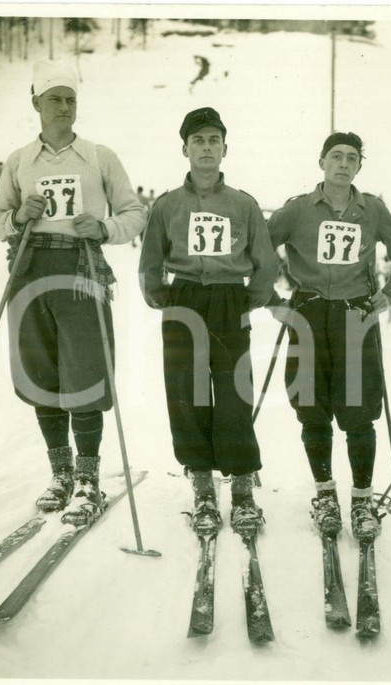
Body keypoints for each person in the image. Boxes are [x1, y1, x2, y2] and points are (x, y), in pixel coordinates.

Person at [0, 60, 146, 525]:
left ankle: (88, 479)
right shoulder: (19, 161)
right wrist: (18, 218)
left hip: (80, 269)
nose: (64, 107)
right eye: (54, 98)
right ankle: (61, 472)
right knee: (42, 372)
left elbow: (135, 211)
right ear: (35, 103)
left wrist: (104, 226)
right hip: (31, 270)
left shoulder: (99, 156)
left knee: (86, 372)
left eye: (70, 99)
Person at [266, 131, 391, 543]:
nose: (344, 163)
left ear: (359, 166)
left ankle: (363, 500)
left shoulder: (373, 209)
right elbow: (259, 246)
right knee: (312, 408)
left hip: (356, 314)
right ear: (322, 162)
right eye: (336, 156)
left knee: (359, 411)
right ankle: (325, 495)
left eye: (352, 157)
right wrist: (270, 297)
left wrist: (388, 295)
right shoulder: (298, 209)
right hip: (309, 312)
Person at [138, 107, 276, 539]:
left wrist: (248, 299)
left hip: (229, 296)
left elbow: (266, 263)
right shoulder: (167, 204)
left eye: (214, 140)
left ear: (225, 149)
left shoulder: (243, 203)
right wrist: (161, 296)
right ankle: (200, 482)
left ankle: (241, 487)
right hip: (184, 298)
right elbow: (151, 261)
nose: (206, 148)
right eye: (198, 141)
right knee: (185, 388)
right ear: (185, 149)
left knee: (234, 388)